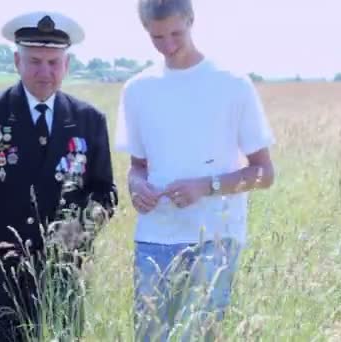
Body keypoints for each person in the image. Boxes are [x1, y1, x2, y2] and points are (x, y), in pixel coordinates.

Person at [0, 11, 118, 342]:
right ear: (17, 61)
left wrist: (78, 231)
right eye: (35, 61)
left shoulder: (89, 120)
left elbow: (105, 193)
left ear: (67, 65)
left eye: (53, 62)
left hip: (62, 274)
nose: (44, 72)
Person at [115, 0, 276, 340]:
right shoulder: (137, 89)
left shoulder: (233, 84)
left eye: (176, 33)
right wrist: (136, 186)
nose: (168, 45)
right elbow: (137, 168)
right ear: (145, 30)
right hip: (154, 237)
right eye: (157, 37)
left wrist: (205, 186)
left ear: (192, 20)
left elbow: (264, 173)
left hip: (216, 240)